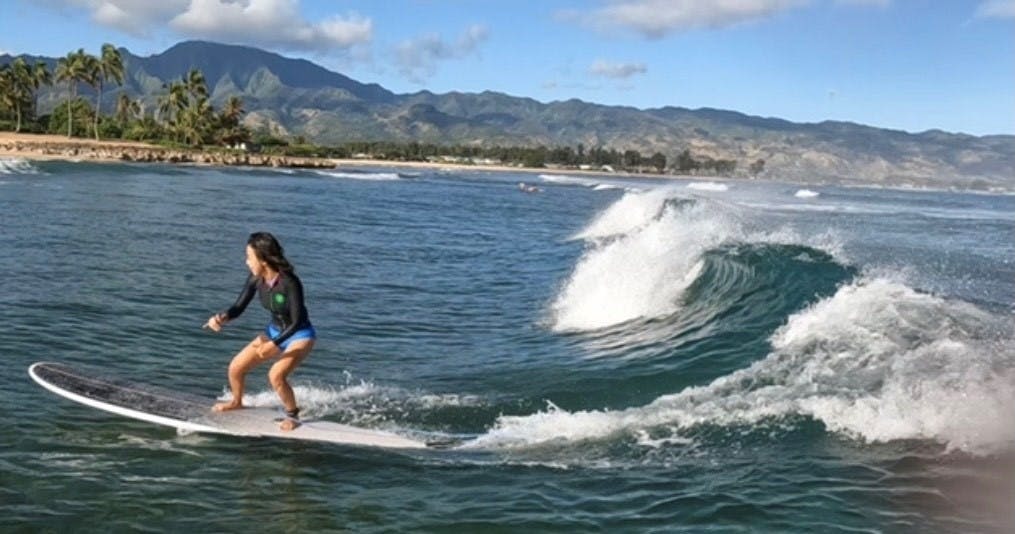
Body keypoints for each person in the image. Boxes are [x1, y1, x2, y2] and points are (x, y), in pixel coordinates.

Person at [204, 232, 316, 431]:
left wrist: (273, 345)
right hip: (274, 331)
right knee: (236, 367)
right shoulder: (256, 279)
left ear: (263, 260)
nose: (246, 261)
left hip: (300, 334)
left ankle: (293, 415)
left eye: (249, 257)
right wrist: (222, 317)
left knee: (276, 375)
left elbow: (297, 321)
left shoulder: (289, 282)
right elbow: (238, 307)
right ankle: (237, 401)